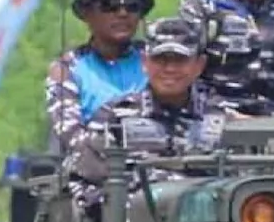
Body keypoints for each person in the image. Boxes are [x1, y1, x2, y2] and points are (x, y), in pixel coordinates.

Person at [65, 17, 228, 211]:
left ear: (199, 65)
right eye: (160, 59)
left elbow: (244, 179)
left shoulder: (220, 119)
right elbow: (80, 178)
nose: (170, 69)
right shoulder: (115, 118)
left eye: (180, 60)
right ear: (144, 62)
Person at [45, 0, 154, 159]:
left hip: (158, 166)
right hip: (98, 171)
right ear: (88, 14)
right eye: (110, 6)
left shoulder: (157, 59)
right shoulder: (67, 69)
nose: (122, 14)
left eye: (132, 6)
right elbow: (71, 137)